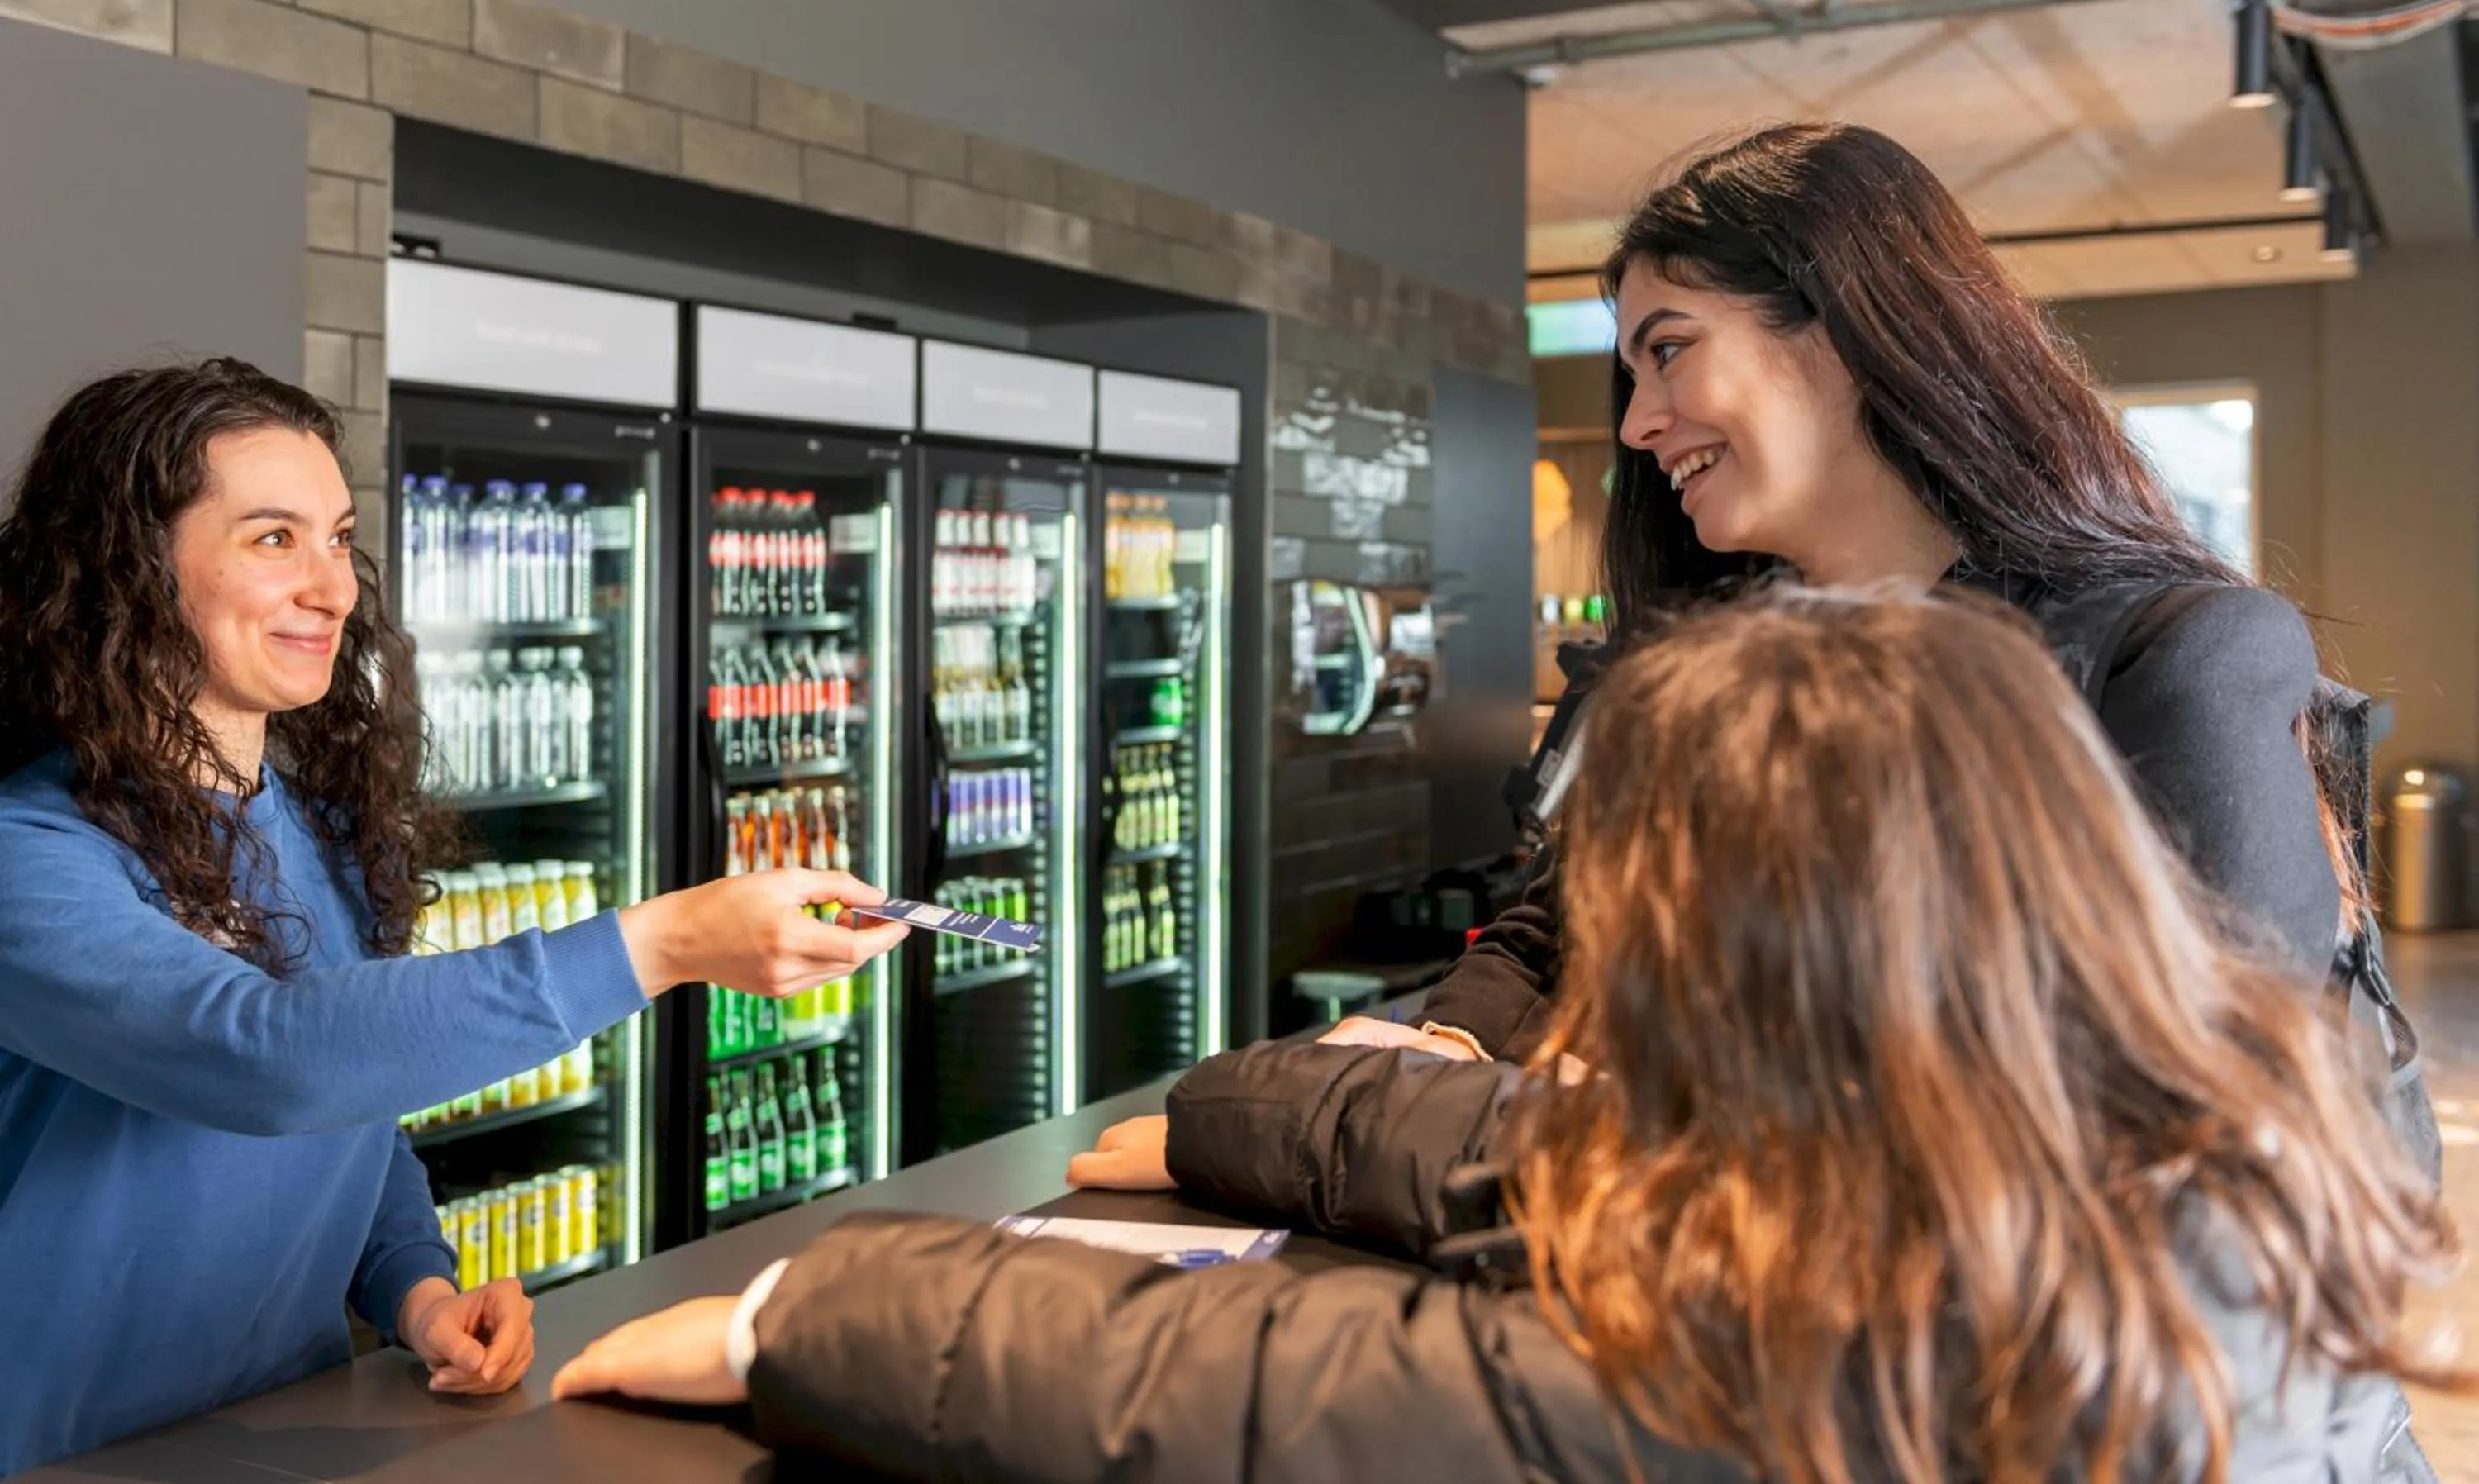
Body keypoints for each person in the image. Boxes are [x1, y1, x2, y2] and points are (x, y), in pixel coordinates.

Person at [554, 589, 2466, 1483]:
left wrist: (795, 1309)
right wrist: (1250, 1120)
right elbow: (1588, 1170)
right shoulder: (2172, 1149)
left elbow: (1244, 1390)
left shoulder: (1824, 1364)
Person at [1319, 124, 2424, 1133]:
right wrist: (1445, 1042)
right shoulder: (1714, 657)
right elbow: (1569, 912)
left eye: (1669, 350)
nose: (1641, 422)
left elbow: (2221, 1126)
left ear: (1842, 330)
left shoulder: (2175, 657)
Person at [0, 361, 903, 1477]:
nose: (333, 588)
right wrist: (662, 941)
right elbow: (262, 1056)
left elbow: (355, 1109)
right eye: (274, 538)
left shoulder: (319, 828)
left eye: (338, 538)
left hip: (287, 1435)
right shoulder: (27, 855)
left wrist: (414, 1283)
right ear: (127, 572)